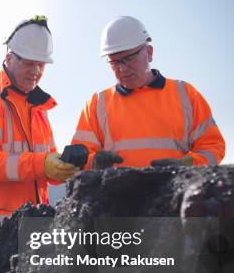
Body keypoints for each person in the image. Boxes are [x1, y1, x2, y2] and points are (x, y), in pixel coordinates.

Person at [0, 16, 77, 252]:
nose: (36, 71)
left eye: (41, 65)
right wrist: (42, 164)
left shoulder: (38, 110)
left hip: (30, 237)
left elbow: (44, 168)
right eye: (29, 63)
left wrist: (62, 168)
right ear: (8, 57)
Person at [71, 16, 225, 169]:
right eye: (114, 62)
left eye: (129, 58)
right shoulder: (97, 104)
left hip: (173, 192)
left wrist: (184, 165)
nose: (122, 69)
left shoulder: (185, 94)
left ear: (149, 52)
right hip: (117, 193)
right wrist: (94, 162)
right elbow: (78, 158)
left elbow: (212, 148)